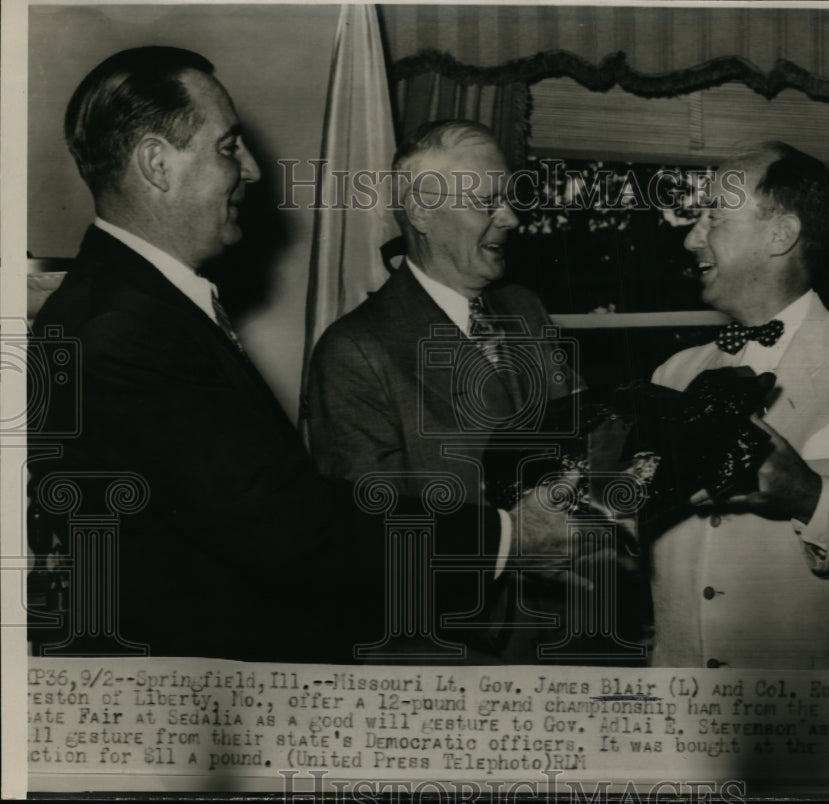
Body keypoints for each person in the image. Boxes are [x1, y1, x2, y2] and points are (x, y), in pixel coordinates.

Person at [27, 47, 578, 663]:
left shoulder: (134, 306)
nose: (252, 169)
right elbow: (289, 530)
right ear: (157, 164)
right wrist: (506, 538)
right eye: (228, 147)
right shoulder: (123, 326)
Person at [306, 121, 599, 662]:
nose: (510, 219)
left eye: (508, 200)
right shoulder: (356, 350)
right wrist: (512, 543)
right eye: (487, 203)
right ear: (421, 211)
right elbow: (374, 544)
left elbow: (588, 446)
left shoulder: (526, 309)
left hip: (575, 633)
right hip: (451, 656)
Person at [648, 141, 829, 670]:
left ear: (780, 234)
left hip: (828, 705)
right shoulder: (672, 374)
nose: (692, 238)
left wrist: (810, 496)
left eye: (714, 217)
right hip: (686, 701)